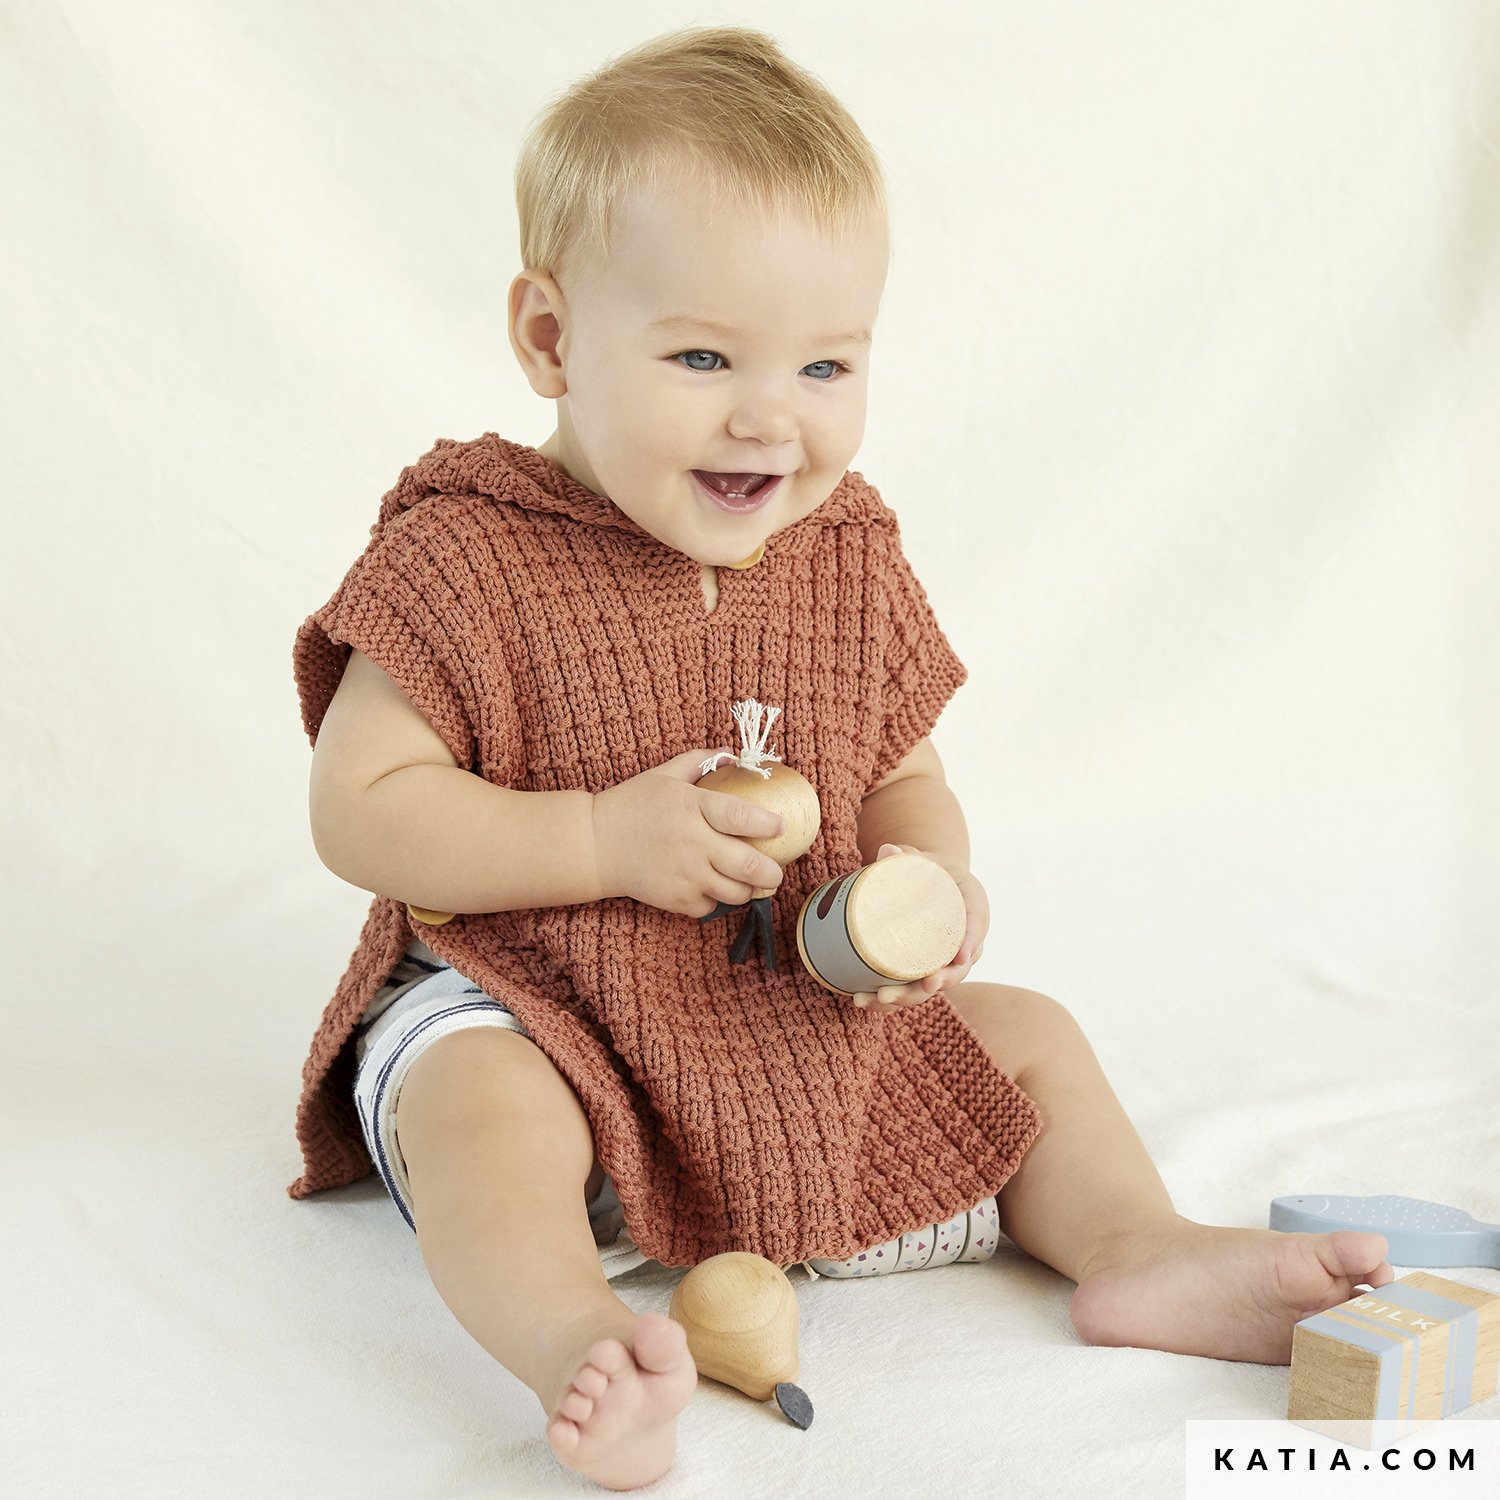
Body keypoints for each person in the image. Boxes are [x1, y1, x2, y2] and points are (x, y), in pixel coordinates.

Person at [292, 25, 1393, 1492]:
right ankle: (581, 1343)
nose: (771, 415)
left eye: (825, 362)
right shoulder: (465, 557)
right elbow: (360, 810)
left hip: (777, 1024)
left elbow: (905, 774)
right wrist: (604, 845)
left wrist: (930, 876)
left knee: (1030, 1038)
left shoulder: (846, 556)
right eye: (701, 357)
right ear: (552, 339)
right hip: (540, 1008)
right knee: (473, 1105)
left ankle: (1141, 1252)